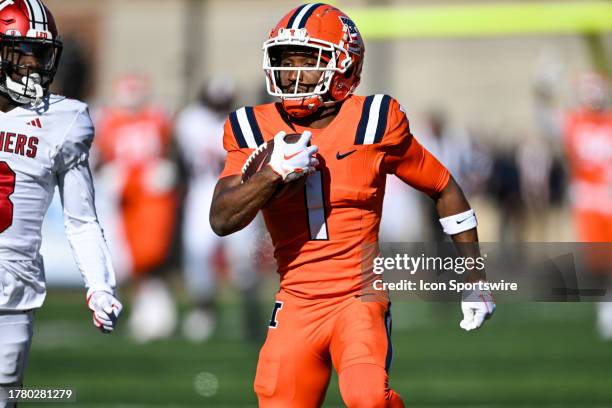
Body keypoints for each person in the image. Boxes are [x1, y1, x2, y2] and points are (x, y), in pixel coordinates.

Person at [209, 4, 495, 407]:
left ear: (343, 66)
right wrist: (273, 175)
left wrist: (475, 280)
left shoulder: (375, 121)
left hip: (357, 297)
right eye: (284, 61)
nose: (292, 74)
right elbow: (221, 218)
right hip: (295, 301)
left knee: (368, 398)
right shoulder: (253, 127)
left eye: (308, 62)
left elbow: (445, 188)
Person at [0, 1, 121, 405]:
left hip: (11, 294)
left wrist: (101, 285)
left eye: (41, 54)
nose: (32, 65)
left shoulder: (64, 120)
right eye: (22, 53)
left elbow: (82, 219)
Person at [175, 77, 264, 342]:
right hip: (203, 191)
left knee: (243, 261)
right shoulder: (191, 121)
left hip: (237, 189)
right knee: (198, 253)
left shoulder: (240, 121)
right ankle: (203, 310)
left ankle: (251, 315)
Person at [94, 74, 178, 342]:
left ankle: (157, 308)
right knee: (125, 260)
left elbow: (173, 152)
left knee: (150, 253)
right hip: (123, 198)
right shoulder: (107, 120)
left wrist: (167, 168)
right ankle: (148, 307)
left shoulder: (157, 117)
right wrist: (106, 172)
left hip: (152, 194)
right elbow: (95, 157)